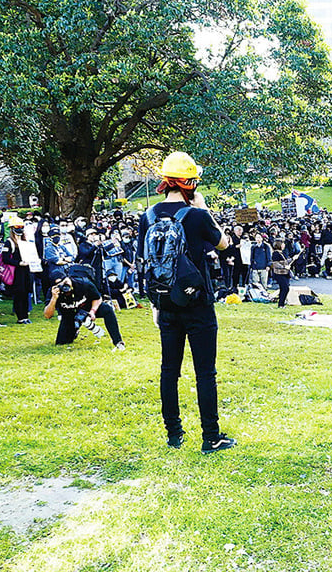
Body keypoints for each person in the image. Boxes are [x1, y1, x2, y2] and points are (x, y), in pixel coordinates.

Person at [137, 151, 235, 453]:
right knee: (205, 372)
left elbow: (148, 261)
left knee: (170, 369)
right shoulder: (197, 215)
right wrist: (204, 208)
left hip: (165, 302)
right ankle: (211, 436)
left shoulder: (148, 216)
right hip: (197, 302)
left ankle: (174, 434)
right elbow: (224, 243)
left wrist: (154, 304)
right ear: (190, 184)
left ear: (165, 182)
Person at [44, 268, 124, 348]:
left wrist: (93, 311)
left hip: (87, 308)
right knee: (62, 343)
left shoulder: (83, 283)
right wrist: (54, 298)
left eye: (66, 282)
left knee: (107, 309)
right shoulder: (53, 292)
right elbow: (47, 315)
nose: (66, 286)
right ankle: (74, 330)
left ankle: (118, 341)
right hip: (69, 314)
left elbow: (97, 298)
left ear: (69, 278)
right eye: (61, 285)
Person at [1, 218, 34, 324]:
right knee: (19, 294)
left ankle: (25, 315)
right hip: (16, 271)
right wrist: (18, 263)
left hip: (26, 270)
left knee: (26, 293)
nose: (20, 229)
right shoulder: (9, 242)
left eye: (21, 227)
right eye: (17, 227)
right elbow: (6, 259)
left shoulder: (25, 241)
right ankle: (20, 317)